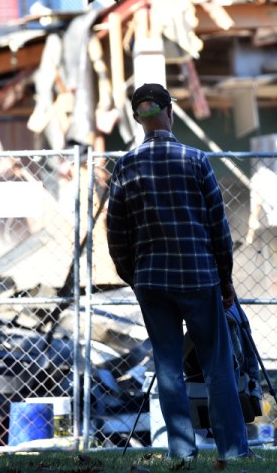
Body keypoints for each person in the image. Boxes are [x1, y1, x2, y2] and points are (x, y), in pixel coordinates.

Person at [106, 83, 256, 463]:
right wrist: (225, 280)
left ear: (137, 118)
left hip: (152, 281)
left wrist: (134, 275)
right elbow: (218, 228)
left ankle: (181, 453)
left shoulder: (125, 165)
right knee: (217, 366)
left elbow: (116, 232)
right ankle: (234, 452)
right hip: (199, 277)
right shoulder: (195, 160)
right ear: (169, 112)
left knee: (169, 367)